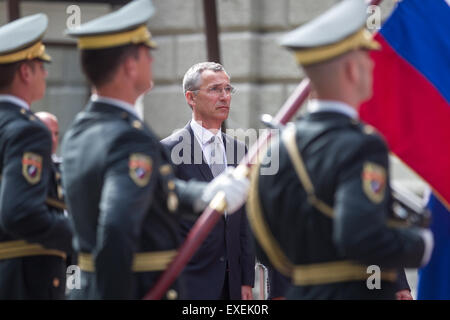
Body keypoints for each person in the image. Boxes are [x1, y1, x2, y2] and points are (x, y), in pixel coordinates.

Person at [61, 0, 249, 300]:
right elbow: (116, 230)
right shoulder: (128, 138)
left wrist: (204, 195)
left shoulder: (80, 130)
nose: (153, 61)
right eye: (147, 53)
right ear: (129, 65)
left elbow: (151, 190)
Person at [246, 0, 433, 300]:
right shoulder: (363, 145)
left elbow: (265, 244)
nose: (373, 64)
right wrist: (421, 245)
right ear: (351, 69)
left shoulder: (279, 145)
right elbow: (361, 237)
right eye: (367, 57)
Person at [161, 62, 255, 300]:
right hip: (191, 281)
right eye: (214, 89)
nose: (224, 96)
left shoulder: (239, 149)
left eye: (227, 89)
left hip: (232, 283)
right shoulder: (168, 150)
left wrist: (246, 280)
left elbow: (244, 220)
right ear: (191, 98)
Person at [0, 14, 73, 299]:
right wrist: (82, 233)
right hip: (21, 280)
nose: (46, 73)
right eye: (42, 66)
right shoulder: (28, 130)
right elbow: (21, 213)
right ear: (25, 72)